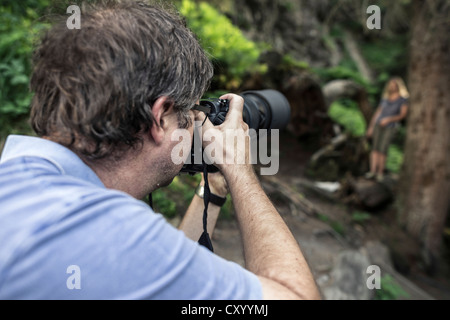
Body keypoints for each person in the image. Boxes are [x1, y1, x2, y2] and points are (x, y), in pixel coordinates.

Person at [0, 1, 320, 300]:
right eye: (191, 114)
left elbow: (169, 276)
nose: (194, 127)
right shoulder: (114, 234)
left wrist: (217, 185)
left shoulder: (20, 179)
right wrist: (239, 169)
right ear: (161, 116)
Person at [365, 77, 409, 181]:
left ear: (398, 86)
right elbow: (378, 113)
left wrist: (389, 119)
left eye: (394, 85)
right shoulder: (385, 98)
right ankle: (372, 171)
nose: (392, 87)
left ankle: (380, 173)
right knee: (375, 148)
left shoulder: (402, 99)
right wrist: (371, 127)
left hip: (391, 126)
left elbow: (403, 115)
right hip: (378, 125)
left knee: (383, 148)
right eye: (390, 85)